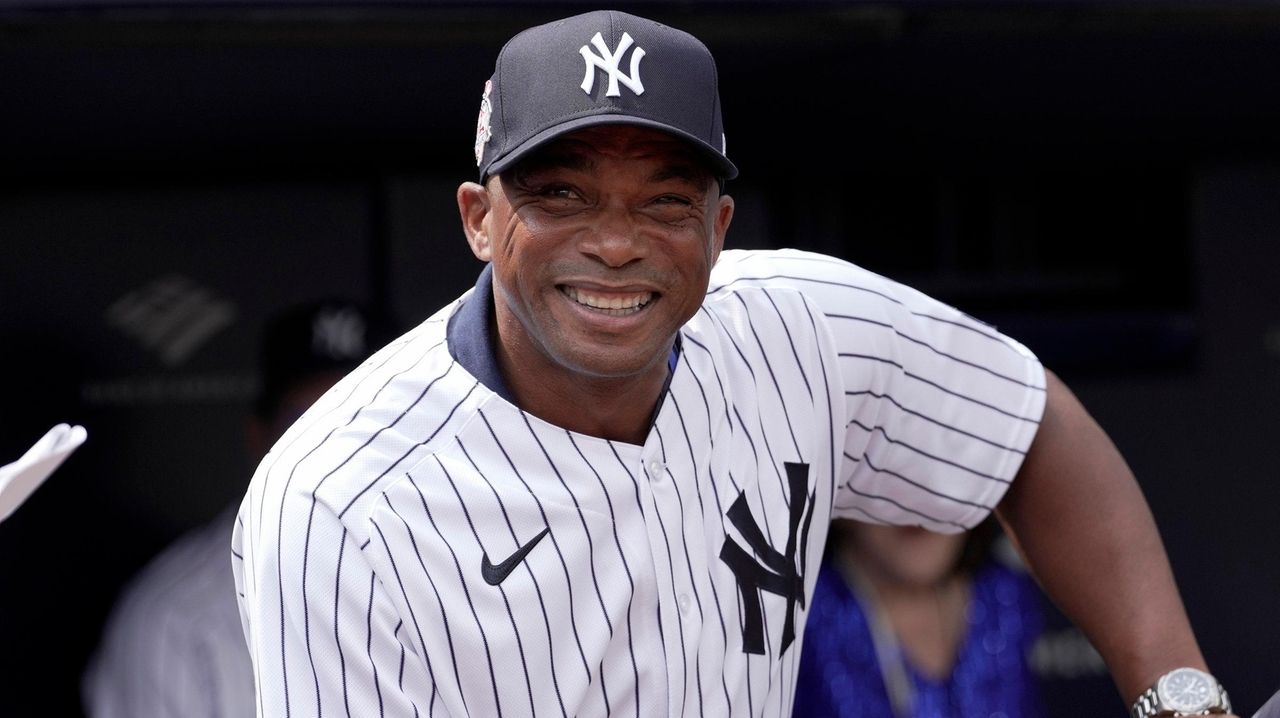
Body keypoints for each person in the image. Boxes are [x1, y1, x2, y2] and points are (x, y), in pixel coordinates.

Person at [232, 10, 1238, 718]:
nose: (616, 242)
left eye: (662, 200)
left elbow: (1030, 429)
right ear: (479, 219)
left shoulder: (800, 322)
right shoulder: (337, 502)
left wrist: (1179, 698)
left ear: (717, 227)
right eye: (561, 194)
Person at [82, 298, 389, 718]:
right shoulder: (175, 617)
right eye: (307, 422)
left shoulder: (461, 569)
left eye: (363, 420)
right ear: (258, 436)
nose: (337, 449)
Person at [792, 516, 1045, 717]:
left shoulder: (1004, 597)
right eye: (889, 464)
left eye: (943, 465)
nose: (916, 503)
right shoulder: (799, 617)